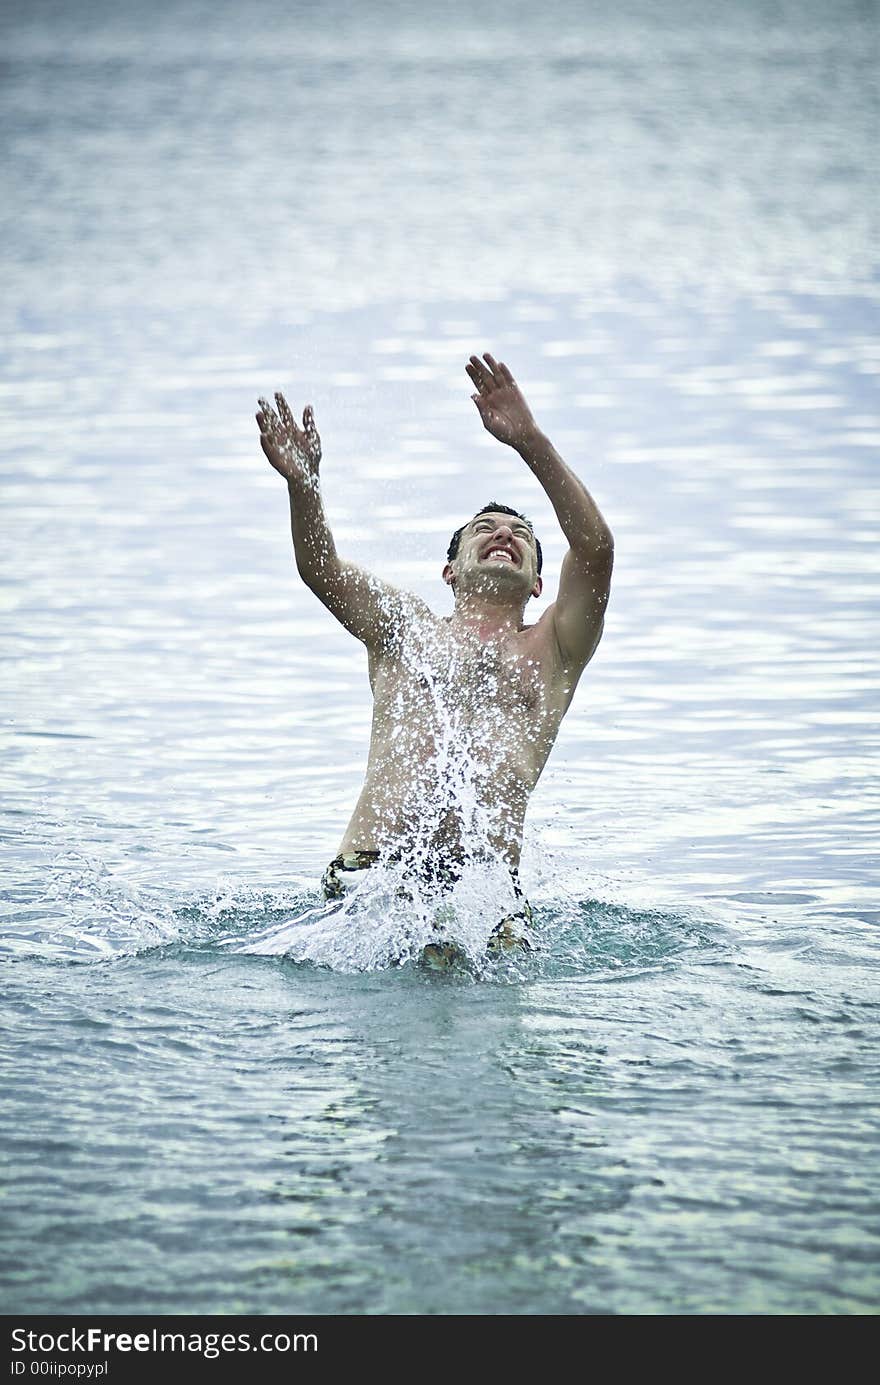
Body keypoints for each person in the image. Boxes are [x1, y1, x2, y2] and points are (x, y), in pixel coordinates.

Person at [256, 352, 613, 965]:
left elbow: (595, 546)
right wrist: (303, 487)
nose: (504, 534)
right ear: (450, 572)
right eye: (485, 528)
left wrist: (530, 442)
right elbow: (321, 569)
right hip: (370, 879)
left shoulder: (555, 648)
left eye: (520, 535)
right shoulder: (404, 629)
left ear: (536, 584)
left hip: (489, 898)